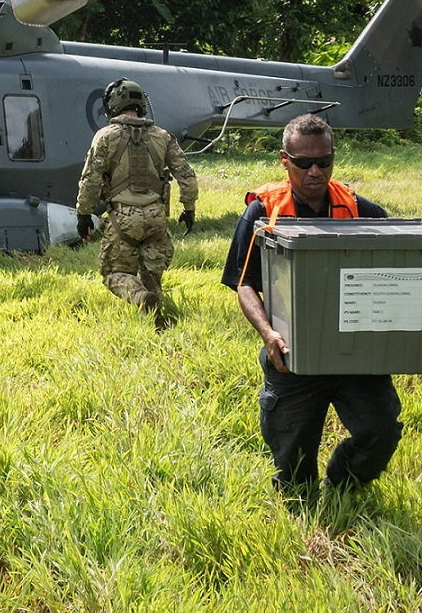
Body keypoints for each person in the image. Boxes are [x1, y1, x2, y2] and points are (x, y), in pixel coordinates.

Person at [221, 112, 399, 500]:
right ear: (285, 161)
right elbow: (243, 283)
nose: (315, 171)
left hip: (355, 350)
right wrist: (268, 333)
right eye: (303, 163)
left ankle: (343, 485)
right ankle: (301, 503)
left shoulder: (360, 209)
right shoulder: (263, 212)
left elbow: (399, 262)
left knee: (381, 431)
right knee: (293, 461)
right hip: (292, 353)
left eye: (324, 161)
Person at [75, 77, 198, 328]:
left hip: (123, 218)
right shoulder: (162, 136)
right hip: (156, 216)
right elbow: (186, 175)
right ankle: (158, 326)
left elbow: (90, 178)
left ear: (113, 105)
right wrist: (189, 208)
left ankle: (141, 298)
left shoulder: (105, 136)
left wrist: (83, 213)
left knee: (114, 274)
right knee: (151, 275)